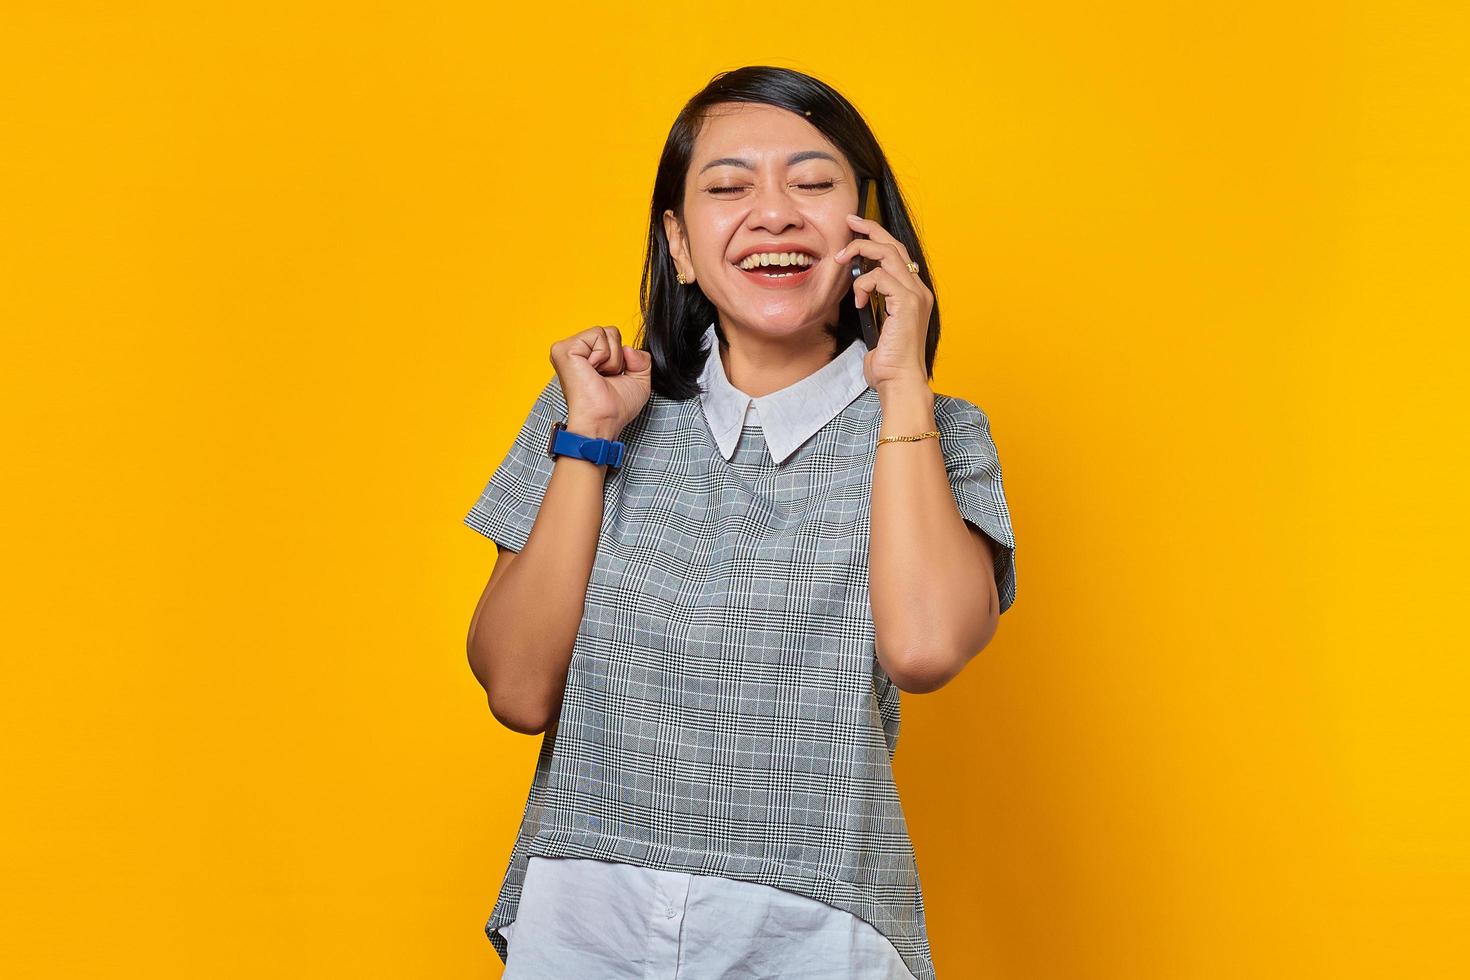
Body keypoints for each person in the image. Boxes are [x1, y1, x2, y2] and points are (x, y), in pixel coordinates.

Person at [464, 65, 1017, 980]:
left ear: (867, 226)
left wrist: (903, 379)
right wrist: (591, 437)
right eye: (728, 188)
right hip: (583, 919)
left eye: (812, 183)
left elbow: (925, 649)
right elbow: (517, 690)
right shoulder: (589, 412)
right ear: (679, 244)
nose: (774, 214)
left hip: (817, 932)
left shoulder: (935, 432)